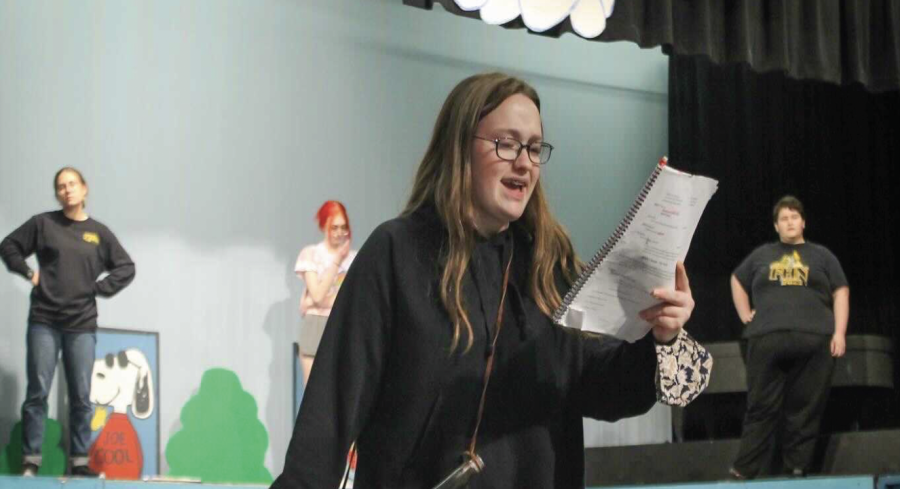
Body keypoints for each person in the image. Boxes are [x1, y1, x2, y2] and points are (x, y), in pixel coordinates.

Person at [272, 73, 710, 489]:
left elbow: (603, 389)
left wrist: (660, 338)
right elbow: (331, 410)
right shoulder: (397, 252)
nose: (523, 162)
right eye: (506, 144)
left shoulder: (548, 267)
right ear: (459, 147)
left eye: (535, 148)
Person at [0, 167, 136, 478]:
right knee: (38, 393)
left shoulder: (99, 233)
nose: (67, 190)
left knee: (81, 397)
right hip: (44, 322)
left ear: (84, 189)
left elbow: (125, 267)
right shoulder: (43, 224)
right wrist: (28, 272)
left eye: (72, 184)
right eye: (61, 186)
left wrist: (98, 288)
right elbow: (8, 246)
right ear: (57, 193)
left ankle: (79, 463)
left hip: (82, 326)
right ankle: (31, 462)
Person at [729, 195, 849, 479]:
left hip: (815, 338)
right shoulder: (761, 255)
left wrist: (840, 332)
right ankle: (744, 470)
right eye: (784, 218)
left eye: (794, 216)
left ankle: (796, 467)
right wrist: (745, 312)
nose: (790, 222)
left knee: (805, 407)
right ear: (776, 226)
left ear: (803, 222)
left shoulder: (822, 256)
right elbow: (737, 279)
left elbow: (840, 291)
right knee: (760, 407)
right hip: (766, 338)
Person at [294, 200, 357, 385]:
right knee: (313, 392)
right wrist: (337, 261)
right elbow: (318, 295)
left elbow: (351, 300)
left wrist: (312, 303)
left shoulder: (354, 258)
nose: (339, 232)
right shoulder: (311, 254)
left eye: (343, 227)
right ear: (324, 226)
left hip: (342, 324)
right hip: (315, 326)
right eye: (334, 227)